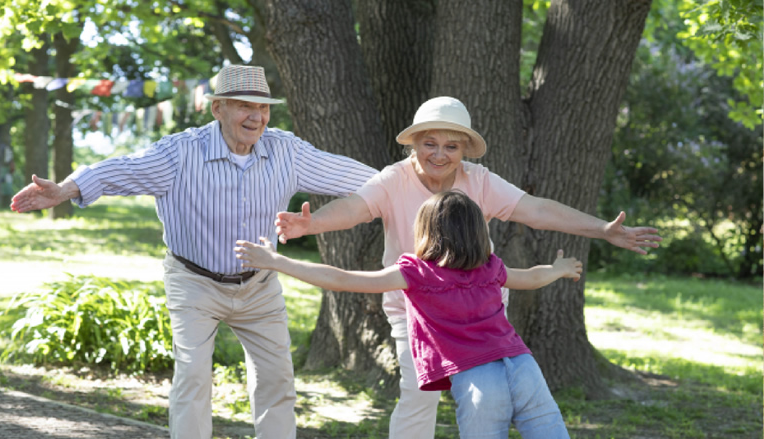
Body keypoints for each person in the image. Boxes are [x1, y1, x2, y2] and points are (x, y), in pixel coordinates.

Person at [10, 64, 378, 439]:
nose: (257, 117)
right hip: (194, 281)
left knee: (277, 381)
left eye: (264, 108)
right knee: (193, 377)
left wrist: (419, 185)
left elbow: (358, 177)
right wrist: (65, 189)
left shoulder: (287, 151)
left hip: (260, 284)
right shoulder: (180, 153)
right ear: (217, 108)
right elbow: (119, 170)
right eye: (244, 106)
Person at [275, 96, 662, 438]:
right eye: (429, 143)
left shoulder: (479, 180)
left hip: (478, 311)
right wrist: (314, 223)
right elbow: (354, 208)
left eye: (451, 146)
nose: (439, 154)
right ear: (414, 145)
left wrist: (601, 229)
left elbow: (538, 209)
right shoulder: (394, 178)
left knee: (488, 400)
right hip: (416, 313)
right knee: (418, 399)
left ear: (465, 150)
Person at [236, 190, 582, 438]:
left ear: (426, 233)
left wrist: (277, 261)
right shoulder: (490, 267)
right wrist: (559, 268)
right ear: (479, 233)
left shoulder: (417, 273)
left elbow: (342, 280)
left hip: (478, 379)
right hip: (523, 366)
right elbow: (533, 277)